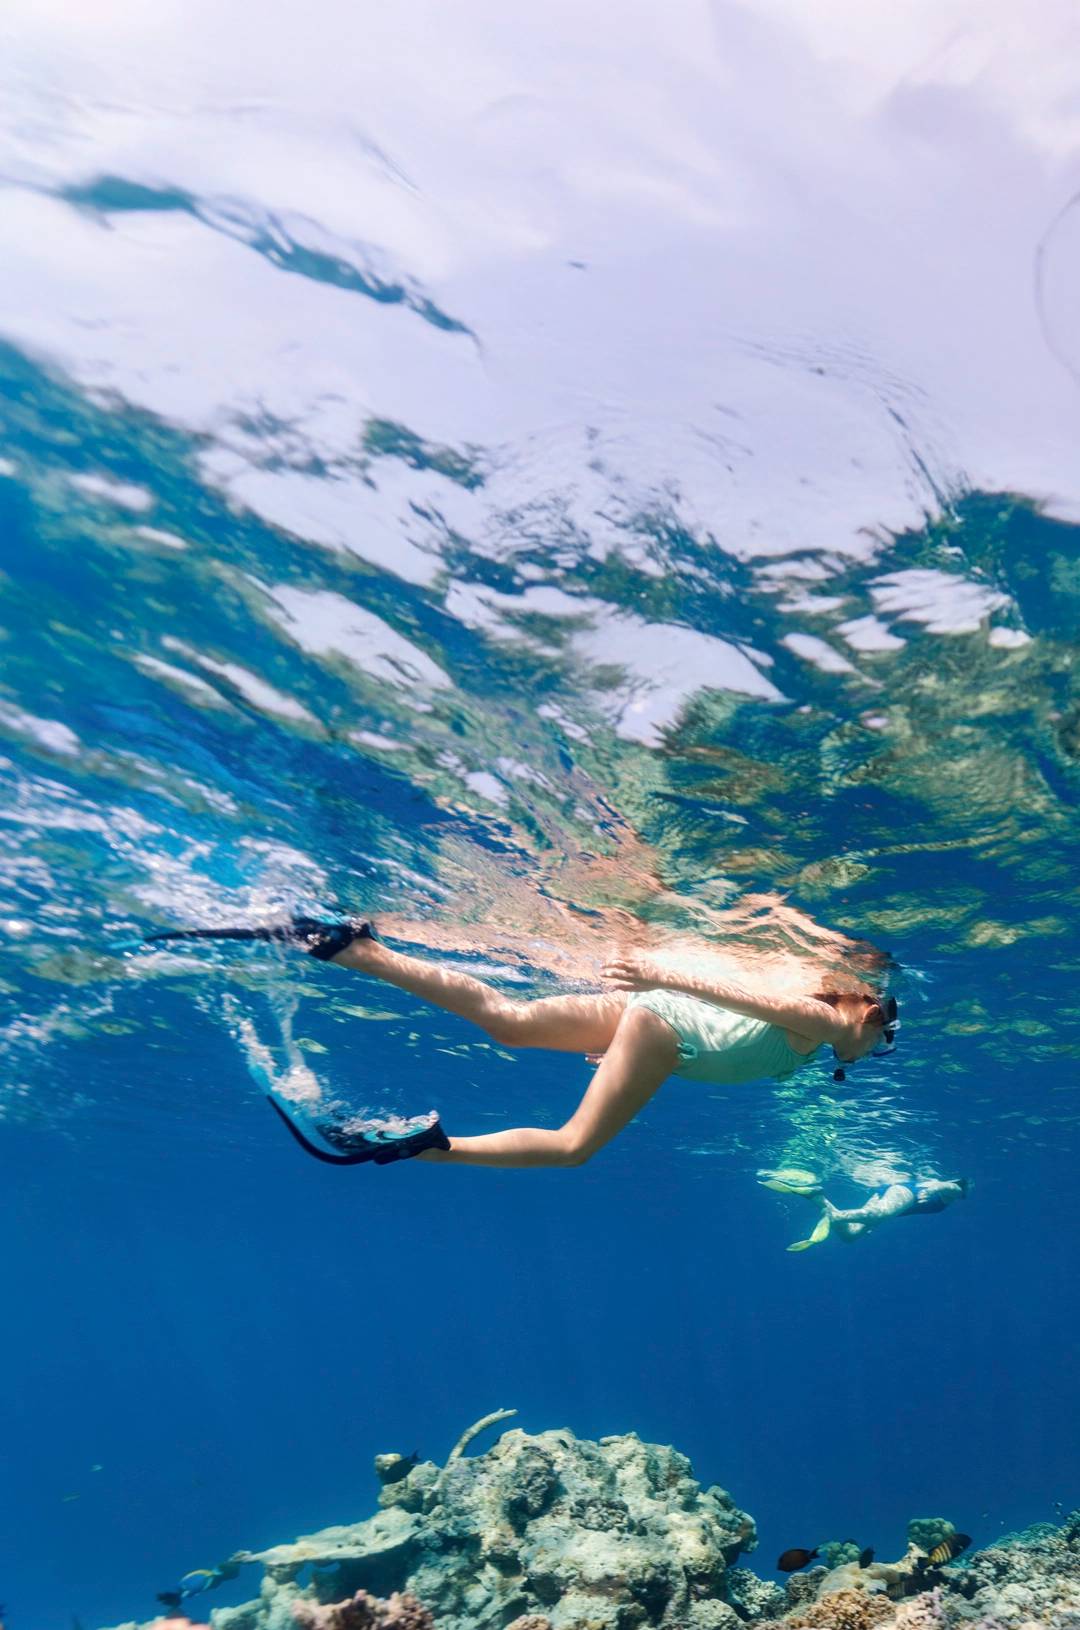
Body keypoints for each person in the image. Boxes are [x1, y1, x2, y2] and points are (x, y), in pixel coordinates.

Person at [138, 915, 899, 1170]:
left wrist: (649, 1017)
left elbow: (743, 1026)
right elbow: (743, 997)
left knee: (507, 1020)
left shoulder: (814, 1031)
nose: (868, 1057)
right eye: (883, 1043)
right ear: (871, 1015)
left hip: (657, 1021)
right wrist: (663, 972)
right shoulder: (835, 1020)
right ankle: (431, 1148)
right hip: (666, 1022)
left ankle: (348, 947)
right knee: (574, 1148)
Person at [758, 1168, 969, 1250]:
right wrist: (936, 1186)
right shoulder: (954, 1189)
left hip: (894, 1196)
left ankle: (819, 1198)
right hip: (906, 1192)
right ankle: (835, 1216)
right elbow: (952, 1186)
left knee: (851, 1235)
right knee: (881, 1215)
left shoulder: (947, 1196)